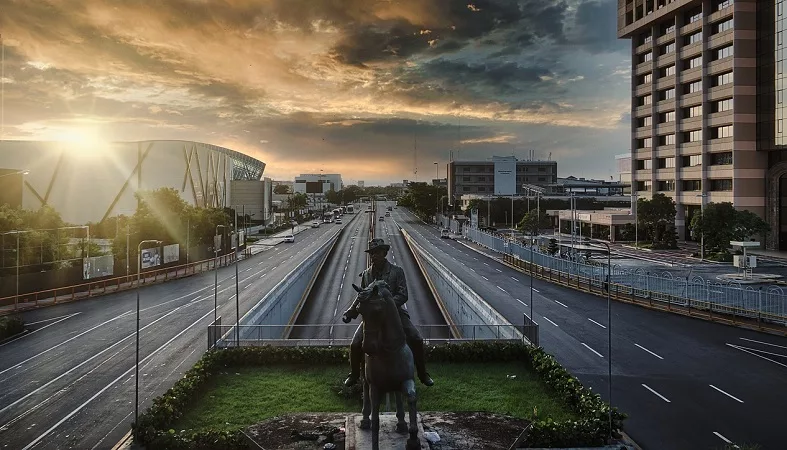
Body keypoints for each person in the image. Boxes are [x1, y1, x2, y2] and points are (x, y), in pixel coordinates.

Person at [343, 238, 434, 387]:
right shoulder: (366, 274)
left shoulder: (397, 272)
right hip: (373, 317)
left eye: (377, 252)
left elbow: (403, 295)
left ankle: (423, 374)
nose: (374, 256)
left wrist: (388, 305)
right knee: (355, 344)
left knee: (416, 338)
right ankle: (354, 374)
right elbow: (362, 295)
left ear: (384, 253)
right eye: (372, 253)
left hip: (395, 314)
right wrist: (352, 311)